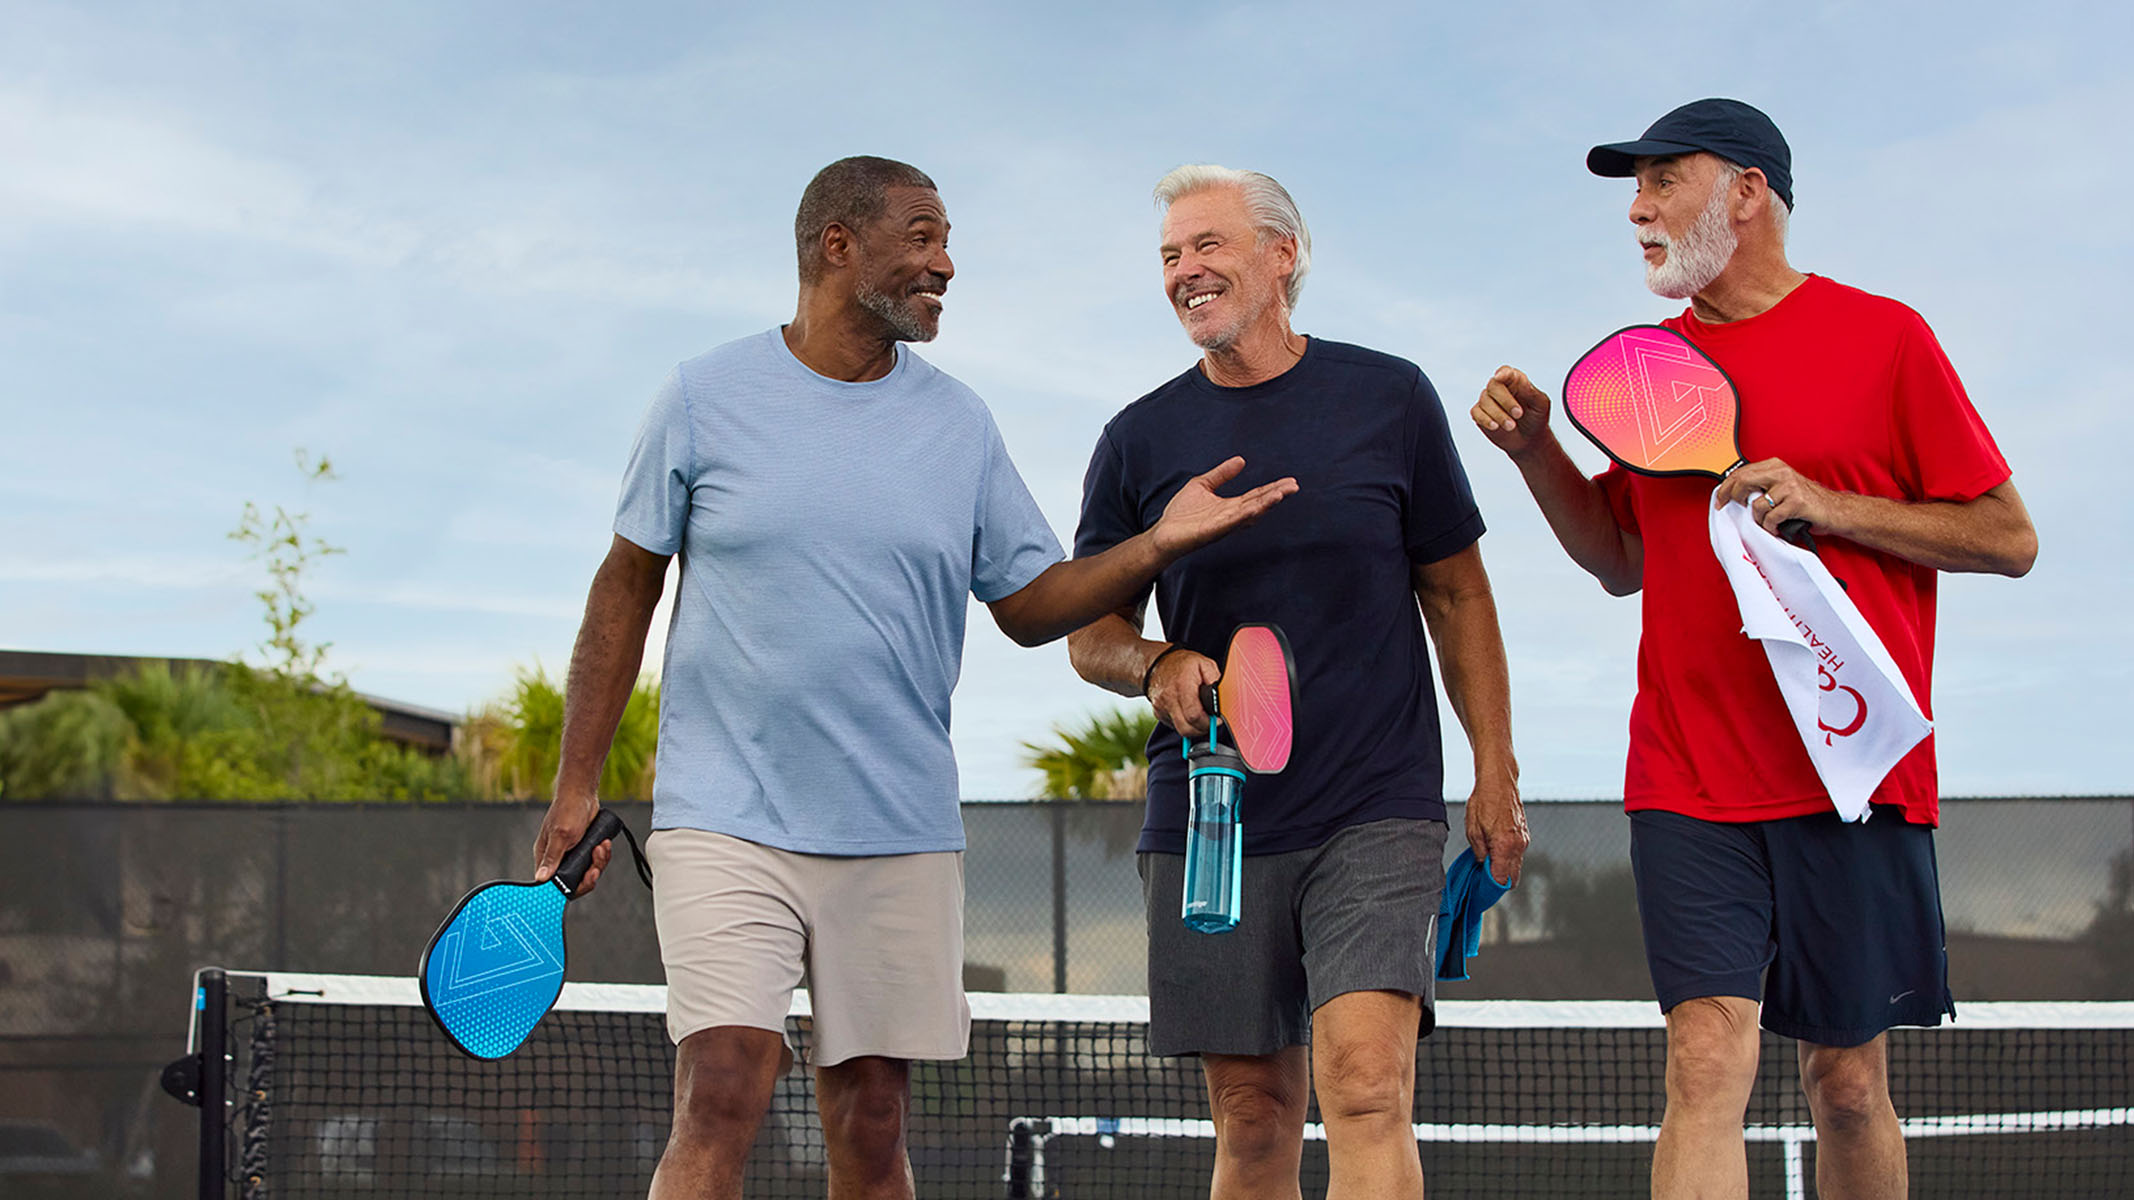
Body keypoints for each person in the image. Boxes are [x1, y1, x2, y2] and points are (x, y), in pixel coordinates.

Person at [529, 155, 1296, 1200]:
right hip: (723, 816)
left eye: (945, 240)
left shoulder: (959, 423)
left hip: (898, 824)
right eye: (922, 236)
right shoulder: (703, 397)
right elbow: (623, 592)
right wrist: (578, 782)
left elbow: (1028, 608)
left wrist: (1157, 544)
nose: (946, 262)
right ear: (837, 245)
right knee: (720, 1088)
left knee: (873, 1118)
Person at [1470, 99, 2038, 1200]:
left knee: (1846, 1082)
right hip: (1685, 771)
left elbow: (2005, 537)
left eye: (1660, 183)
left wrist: (1831, 505)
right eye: (1630, 191)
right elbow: (1616, 559)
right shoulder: (1648, 371)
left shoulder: (1886, 338)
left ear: (1746, 192)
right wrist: (1539, 452)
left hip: (1851, 768)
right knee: (1703, 1060)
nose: (1636, 210)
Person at [1067, 164, 1529, 1200]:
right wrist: (1158, 663)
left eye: (1207, 246)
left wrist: (1494, 767)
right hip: (1212, 815)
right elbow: (1089, 634)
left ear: (1282, 255)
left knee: (1366, 1085)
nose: (1185, 271)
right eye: (1169, 257)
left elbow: (1457, 595)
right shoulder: (1137, 440)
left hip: (1375, 802)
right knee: (1254, 1115)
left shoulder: (1387, 397)